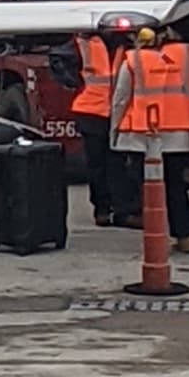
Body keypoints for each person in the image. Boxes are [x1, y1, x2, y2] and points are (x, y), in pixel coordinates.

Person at [108, 15, 189, 246]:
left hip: (143, 136)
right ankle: (185, 236)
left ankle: (155, 237)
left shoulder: (133, 60)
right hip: (180, 135)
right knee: (176, 185)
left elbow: (120, 99)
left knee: (149, 190)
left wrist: (114, 132)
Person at [67, 24, 122, 226]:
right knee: (97, 165)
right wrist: (77, 85)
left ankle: (121, 208)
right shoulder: (83, 43)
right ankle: (102, 208)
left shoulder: (123, 45)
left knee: (118, 164)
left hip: (118, 112)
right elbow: (61, 63)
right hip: (91, 111)